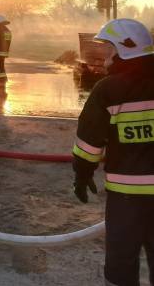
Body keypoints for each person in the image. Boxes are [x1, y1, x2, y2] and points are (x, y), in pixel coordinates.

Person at [71, 18, 154, 286]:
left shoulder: (109, 89)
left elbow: (88, 143)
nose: (106, 55)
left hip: (126, 197)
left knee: (121, 262)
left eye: (110, 48)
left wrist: (82, 175)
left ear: (124, 49)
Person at [0, 15, 12, 85]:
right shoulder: (8, 31)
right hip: (4, 52)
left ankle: (1, 81)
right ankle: (4, 79)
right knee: (1, 66)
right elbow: (7, 41)